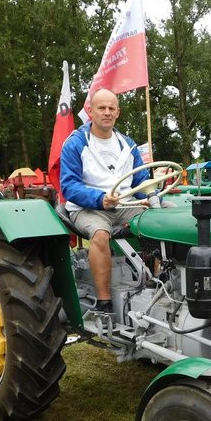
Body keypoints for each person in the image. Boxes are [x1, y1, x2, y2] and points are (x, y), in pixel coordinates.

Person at [60, 88, 151, 313]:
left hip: (124, 205)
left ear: (118, 112)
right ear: (90, 111)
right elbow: (69, 185)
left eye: (111, 108)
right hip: (88, 208)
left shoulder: (127, 145)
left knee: (157, 222)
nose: (107, 112)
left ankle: (156, 284)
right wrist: (100, 199)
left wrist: (150, 196)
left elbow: (141, 180)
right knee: (100, 234)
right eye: (101, 108)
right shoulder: (75, 143)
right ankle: (104, 301)